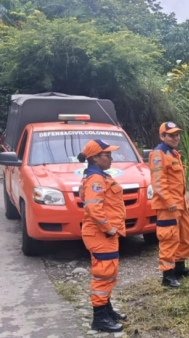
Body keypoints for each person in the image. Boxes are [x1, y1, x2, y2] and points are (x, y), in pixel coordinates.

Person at [78, 139, 127, 333]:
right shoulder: (96, 179)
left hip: (102, 234)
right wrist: (108, 228)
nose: (112, 159)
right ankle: (99, 318)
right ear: (95, 158)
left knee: (108, 273)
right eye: (108, 155)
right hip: (100, 234)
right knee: (103, 274)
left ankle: (107, 310)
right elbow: (93, 207)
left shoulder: (99, 176)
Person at [149, 121, 189, 287]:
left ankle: (179, 268)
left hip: (180, 205)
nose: (175, 138)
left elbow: (177, 182)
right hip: (167, 207)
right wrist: (168, 201)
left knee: (187, 236)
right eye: (171, 135)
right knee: (169, 239)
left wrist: (183, 199)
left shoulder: (173, 153)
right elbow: (158, 182)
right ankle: (167, 276)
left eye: (177, 134)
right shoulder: (158, 154)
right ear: (162, 136)